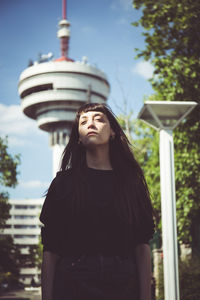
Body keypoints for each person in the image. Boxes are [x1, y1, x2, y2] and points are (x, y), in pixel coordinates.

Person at [40, 102, 155, 300]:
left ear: (112, 132)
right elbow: (51, 250)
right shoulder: (63, 184)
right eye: (83, 122)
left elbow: (142, 246)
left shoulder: (131, 184)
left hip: (123, 285)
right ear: (78, 138)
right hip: (73, 285)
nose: (90, 124)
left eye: (99, 119)